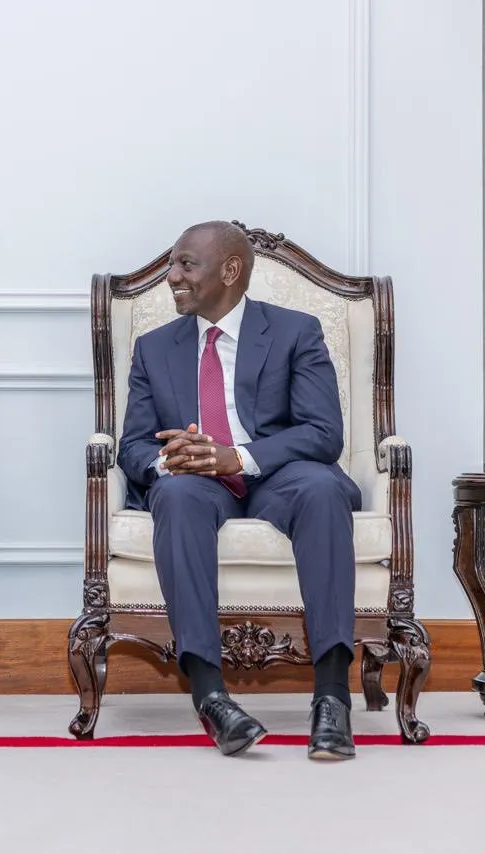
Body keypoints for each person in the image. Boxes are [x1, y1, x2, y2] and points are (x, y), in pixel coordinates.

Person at [118, 220, 361, 760]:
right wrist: (166, 458)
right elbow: (130, 446)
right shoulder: (154, 348)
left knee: (324, 490)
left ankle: (332, 700)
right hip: (200, 484)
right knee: (175, 497)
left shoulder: (297, 331)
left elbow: (323, 433)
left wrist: (239, 456)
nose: (172, 277)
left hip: (278, 475)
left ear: (231, 271)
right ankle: (212, 699)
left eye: (186, 265)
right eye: (172, 265)